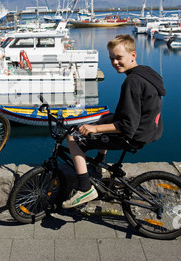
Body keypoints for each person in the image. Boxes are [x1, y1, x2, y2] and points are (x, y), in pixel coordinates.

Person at [63, 34, 166, 209]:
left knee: (73, 138)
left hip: (134, 135)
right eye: (111, 58)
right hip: (151, 128)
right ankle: (100, 161)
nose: (115, 63)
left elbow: (126, 126)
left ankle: (85, 188)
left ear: (132, 55)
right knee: (104, 117)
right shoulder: (146, 72)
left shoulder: (132, 82)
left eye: (119, 58)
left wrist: (94, 129)